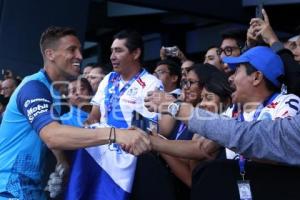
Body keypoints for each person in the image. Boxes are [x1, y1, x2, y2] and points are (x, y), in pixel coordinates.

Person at [0, 26, 150, 200]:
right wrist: (116, 134)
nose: (80, 56)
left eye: (79, 50)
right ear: (50, 54)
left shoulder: (53, 91)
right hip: (9, 191)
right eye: (72, 50)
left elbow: (49, 136)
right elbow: (52, 135)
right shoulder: (33, 87)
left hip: (31, 193)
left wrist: (62, 162)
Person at [144, 50, 300, 166]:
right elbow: (200, 147)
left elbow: (266, 142)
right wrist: (150, 141)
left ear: (257, 77)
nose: (230, 78)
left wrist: (175, 107)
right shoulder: (233, 111)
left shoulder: (287, 103)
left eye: (237, 70)